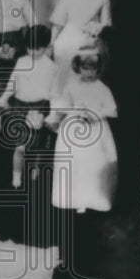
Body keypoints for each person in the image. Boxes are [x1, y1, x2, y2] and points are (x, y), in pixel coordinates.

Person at [50, 50, 118, 214]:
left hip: (96, 128)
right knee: (73, 160)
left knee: (94, 162)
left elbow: (112, 109)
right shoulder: (72, 85)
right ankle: (72, 197)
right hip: (74, 125)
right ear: (78, 68)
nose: (89, 72)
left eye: (93, 69)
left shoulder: (102, 88)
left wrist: (96, 115)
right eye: (85, 68)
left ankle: (95, 198)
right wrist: (56, 117)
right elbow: (65, 103)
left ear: (98, 69)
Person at [0, 24, 58, 189]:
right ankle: (16, 177)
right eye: (29, 48)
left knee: (37, 143)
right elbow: (13, 82)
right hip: (21, 105)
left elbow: (54, 92)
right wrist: (4, 97)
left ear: (46, 47)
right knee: (20, 146)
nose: (32, 52)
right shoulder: (22, 61)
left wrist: (53, 113)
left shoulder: (52, 67)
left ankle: (36, 166)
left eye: (36, 48)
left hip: (41, 106)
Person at [49, 0, 112, 93]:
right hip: (69, 32)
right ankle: (64, 94)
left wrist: (97, 28)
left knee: (83, 53)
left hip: (89, 36)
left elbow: (105, 23)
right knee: (62, 47)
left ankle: (84, 94)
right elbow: (58, 21)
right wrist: (52, 43)